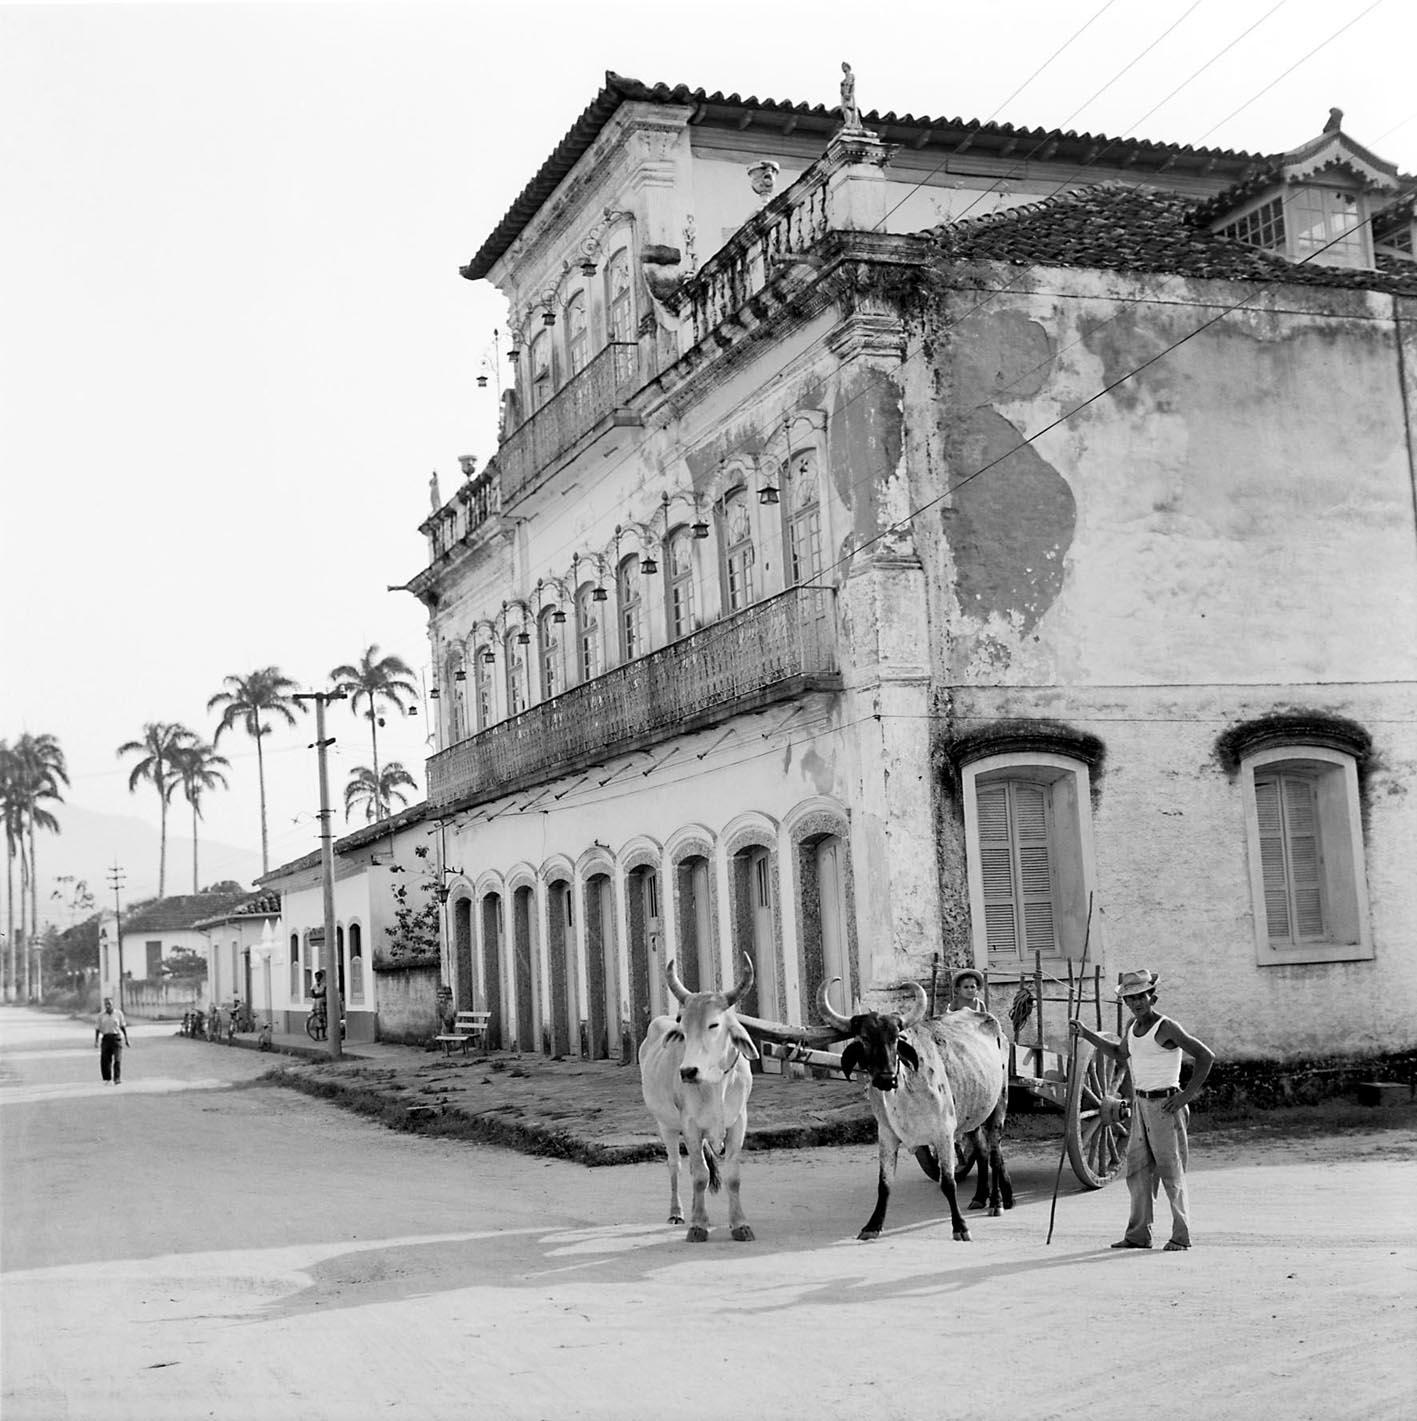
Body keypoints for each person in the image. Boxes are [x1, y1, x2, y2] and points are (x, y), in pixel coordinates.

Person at [1070, 970, 1215, 1251]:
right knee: (1137, 1172)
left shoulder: (1166, 1027)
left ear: (1153, 997)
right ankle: (1138, 1235)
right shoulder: (1132, 1028)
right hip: (1140, 1105)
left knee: (1171, 1172)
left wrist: (1185, 1096)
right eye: (1130, 999)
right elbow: (1119, 1054)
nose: (1136, 1003)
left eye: (1140, 997)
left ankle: (1181, 1236)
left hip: (1166, 1105)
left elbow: (1205, 1056)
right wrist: (1086, 1033)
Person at [95, 997, 130, 1084]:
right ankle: (107, 1078)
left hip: (116, 1038)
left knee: (118, 1059)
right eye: (106, 1004)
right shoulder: (101, 1016)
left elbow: (122, 1027)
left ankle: (117, 1078)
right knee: (105, 1060)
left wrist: (126, 1039)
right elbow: (97, 1029)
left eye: (109, 1004)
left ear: (112, 1004)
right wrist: (96, 1041)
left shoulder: (118, 1014)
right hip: (106, 1038)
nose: (108, 1006)